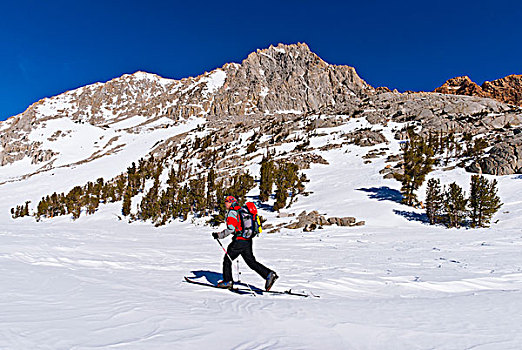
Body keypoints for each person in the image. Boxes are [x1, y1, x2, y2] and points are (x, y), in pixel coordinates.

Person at [212, 196, 278, 291]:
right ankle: (268, 274)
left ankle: (227, 281)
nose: (225, 203)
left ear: (231, 202)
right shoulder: (242, 210)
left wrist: (219, 235)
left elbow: (231, 228)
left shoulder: (233, 212)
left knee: (227, 259)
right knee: (251, 262)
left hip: (239, 241)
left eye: (226, 201)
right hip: (247, 240)